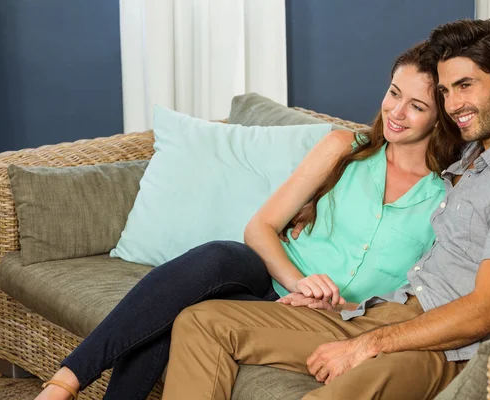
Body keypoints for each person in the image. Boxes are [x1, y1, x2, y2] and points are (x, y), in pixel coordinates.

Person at [161, 18, 490, 400]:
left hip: (446, 348)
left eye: (465, 85)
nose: (453, 104)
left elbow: (486, 312)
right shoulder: (477, 151)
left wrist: (367, 345)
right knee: (203, 323)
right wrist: (315, 204)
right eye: (445, 91)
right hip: (388, 311)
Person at [36, 42, 462, 400]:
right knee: (217, 258)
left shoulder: (451, 195)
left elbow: (419, 293)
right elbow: (260, 227)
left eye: (417, 106)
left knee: (180, 315)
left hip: (335, 317)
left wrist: (339, 305)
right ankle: (66, 382)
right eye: (393, 93)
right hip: (272, 278)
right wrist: (299, 282)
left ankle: (64, 386)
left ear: (440, 115)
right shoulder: (344, 147)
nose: (396, 111)